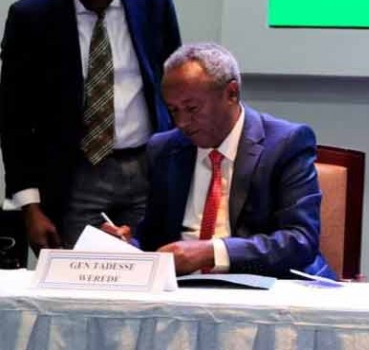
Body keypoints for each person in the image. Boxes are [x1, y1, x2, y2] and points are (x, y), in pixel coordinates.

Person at [0, 0, 181, 250]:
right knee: (74, 288)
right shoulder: (32, 16)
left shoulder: (154, 2)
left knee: (151, 280)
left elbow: (174, 93)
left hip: (147, 169)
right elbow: (14, 120)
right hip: (73, 176)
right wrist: (30, 207)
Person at [103, 42, 336, 279]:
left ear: (231, 93)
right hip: (182, 289)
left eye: (192, 108)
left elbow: (300, 240)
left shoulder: (286, 143)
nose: (182, 122)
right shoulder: (164, 149)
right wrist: (128, 244)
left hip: (264, 286)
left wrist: (211, 252)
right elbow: (154, 237)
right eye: (173, 111)